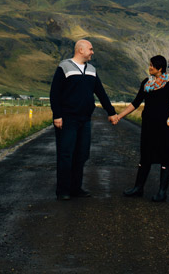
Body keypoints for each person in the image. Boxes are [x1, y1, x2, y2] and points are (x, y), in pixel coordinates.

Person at [50, 39, 118, 200]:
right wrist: (57, 115)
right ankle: (63, 191)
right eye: (90, 49)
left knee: (82, 154)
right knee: (66, 154)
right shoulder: (64, 67)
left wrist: (111, 112)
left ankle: (76, 188)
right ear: (80, 50)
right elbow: (54, 93)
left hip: (85, 119)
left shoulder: (92, 70)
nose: (92, 52)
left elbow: (101, 93)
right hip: (67, 119)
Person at [113, 55, 169, 202]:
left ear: (160, 68)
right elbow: (135, 103)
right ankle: (138, 188)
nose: (149, 68)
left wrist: (168, 121)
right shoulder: (146, 83)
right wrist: (120, 116)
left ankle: (162, 192)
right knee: (145, 156)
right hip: (148, 126)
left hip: (164, 127)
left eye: (152, 65)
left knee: (166, 157)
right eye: (149, 65)